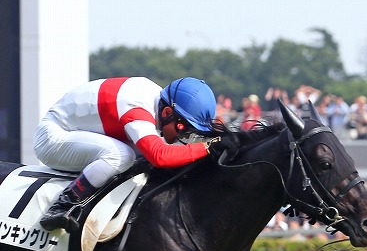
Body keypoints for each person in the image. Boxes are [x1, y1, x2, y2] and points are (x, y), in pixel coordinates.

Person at [34, 76, 224, 233]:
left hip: (77, 132)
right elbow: (160, 155)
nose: (181, 138)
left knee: (138, 156)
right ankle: (63, 205)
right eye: (183, 130)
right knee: (122, 156)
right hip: (52, 139)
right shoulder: (137, 108)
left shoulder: (158, 102)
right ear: (167, 112)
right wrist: (208, 147)